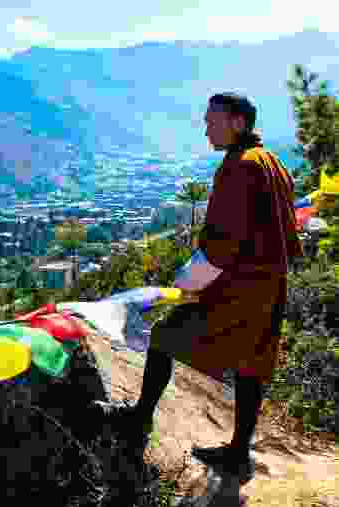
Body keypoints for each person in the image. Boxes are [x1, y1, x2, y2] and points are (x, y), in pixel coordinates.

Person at [96, 93, 302, 478]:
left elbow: (225, 239)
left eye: (212, 121)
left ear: (238, 123)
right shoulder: (272, 163)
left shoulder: (241, 166)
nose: (206, 128)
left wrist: (188, 281)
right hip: (270, 283)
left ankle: (140, 418)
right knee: (252, 363)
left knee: (163, 335)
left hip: (238, 283)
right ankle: (239, 452)